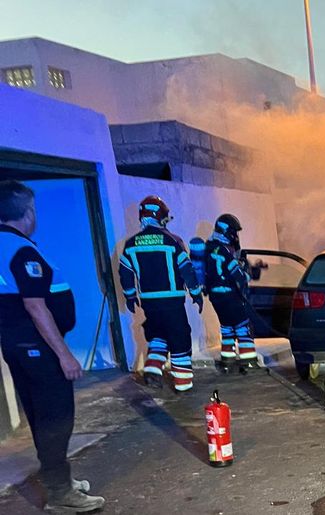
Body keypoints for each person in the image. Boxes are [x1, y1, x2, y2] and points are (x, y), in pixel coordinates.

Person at [0, 180, 105, 512]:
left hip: (18, 346)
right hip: (38, 349)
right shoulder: (20, 250)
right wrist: (64, 355)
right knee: (56, 418)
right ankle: (61, 495)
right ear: (28, 212)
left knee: (41, 416)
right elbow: (35, 305)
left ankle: (58, 478)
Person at [119, 196, 203, 392]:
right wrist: (196, 293)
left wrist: (130, 296)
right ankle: (183, 383)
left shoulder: (131, 244)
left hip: (149, 302)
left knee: (157, 335)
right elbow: (187, 269)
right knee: (179, 337)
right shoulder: (172, 241)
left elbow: (125, 271)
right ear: (161, 217)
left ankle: (152, 371)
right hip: (172, 301)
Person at [202, 214, 258, 370]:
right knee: (242, 326)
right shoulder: (224, 251)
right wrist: (250, 273)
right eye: (234, 232)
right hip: (229, 295)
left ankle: (227, 360)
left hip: (215, 297)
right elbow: (238, 276)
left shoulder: (209, 247)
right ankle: (249, 361)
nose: (236, 236)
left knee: (227, 326)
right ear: (228, 231)